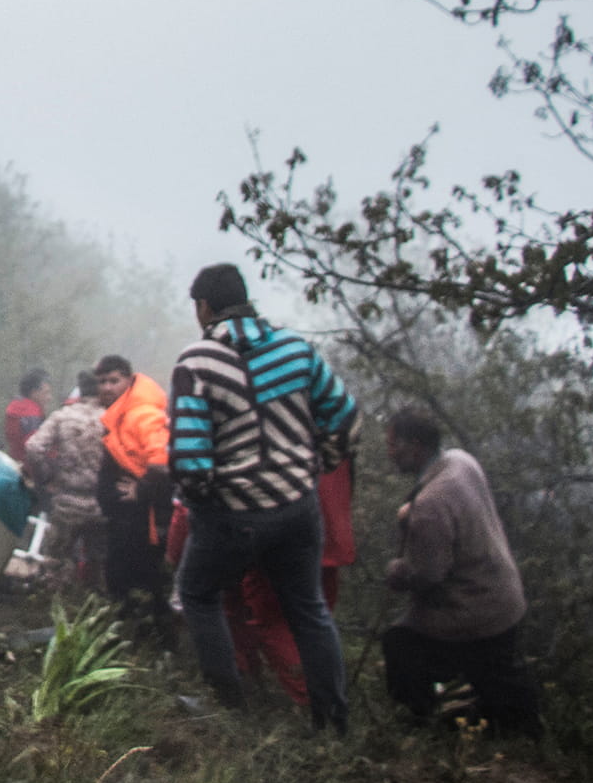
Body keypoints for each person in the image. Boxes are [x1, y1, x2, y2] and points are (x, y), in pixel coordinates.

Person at [168, 263, 356, 733]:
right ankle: (332, 719)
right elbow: (345, 416)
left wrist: (207, 505)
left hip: (234, 514)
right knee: (307, 608)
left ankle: (228, 709)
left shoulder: (197, 362)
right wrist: (317, 463)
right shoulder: (296, 349)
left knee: (198, 592)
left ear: (205, 308)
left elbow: (190, 461)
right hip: (297, 508)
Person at [382, 408, 541, 738]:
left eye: (394, 444)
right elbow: (453, 509)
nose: (390, 452)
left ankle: (421, 721)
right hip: (505, 596)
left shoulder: (430, 504)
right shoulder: (460, 461)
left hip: (474, 610)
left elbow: (428, 576)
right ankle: (505, 720)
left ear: (415, 445)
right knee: (499, 677)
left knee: (399, 641)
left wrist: (397, 570)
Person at [93, 354, 172, 623]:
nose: (106, 387)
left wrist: (142, 489)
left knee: (145, 581)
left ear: (129, 380)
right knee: (124, 580)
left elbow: (162, 462)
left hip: (141, 519)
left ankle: (154, 641)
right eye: (102, 381)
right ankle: (134, 634)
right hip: (125, 518)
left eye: (114, 381)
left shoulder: (142, 412)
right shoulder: (121, 414)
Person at [21, 373, 108, 590]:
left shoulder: (62, 416)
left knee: (57, 563)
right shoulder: (111, 417)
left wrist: (47, 477)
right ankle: (96, 612)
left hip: (67, 498)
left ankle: (56, 613)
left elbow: (33, 447)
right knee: (99, 564)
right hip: (101, 502)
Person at [3, 368, 56, 460]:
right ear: (34, 392)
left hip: (16, 463)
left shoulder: (17, 406)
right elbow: (35, 449)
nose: (49, 398)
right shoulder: (30, 414)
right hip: (29, 470)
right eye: (46, 393)